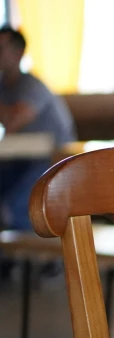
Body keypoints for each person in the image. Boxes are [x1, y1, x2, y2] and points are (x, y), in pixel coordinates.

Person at [0, 26, 75, 230]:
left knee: (15, 208)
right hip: (21, 158)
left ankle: (32, 257)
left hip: (55, 160)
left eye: (2, 47)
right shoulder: (3, 86)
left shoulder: (32, 86)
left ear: (19, 53)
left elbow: (13, 121)